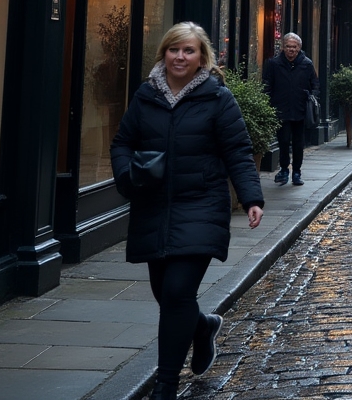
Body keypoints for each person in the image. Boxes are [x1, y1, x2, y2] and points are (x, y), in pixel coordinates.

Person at [110, 22, 264, 400]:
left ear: (202, 59)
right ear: (164, 53)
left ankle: (166, 385)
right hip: (154, 206)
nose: (180, 57)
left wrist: (251, 198)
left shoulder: (218, 99)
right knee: (165, 293)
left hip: (202, 204)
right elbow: (122, 143)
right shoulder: (146, 96)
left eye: (189, 51)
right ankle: (201, 327)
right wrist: (127, 176)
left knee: (178, 291)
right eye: (174, 50)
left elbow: (238, 152)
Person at [263, 32, 319, 186]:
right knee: (283, 141)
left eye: (294, 47)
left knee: (298, 143)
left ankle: (296, 172)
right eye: (288, 46)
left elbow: (315, 84)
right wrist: (268, 102)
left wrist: (312, 98)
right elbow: (267, 84)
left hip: (300, 110)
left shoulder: (306, 64)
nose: (291, 50)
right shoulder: (274, 64)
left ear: (299, 48)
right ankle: (283, 169)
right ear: (283, 47)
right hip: (281, 109)